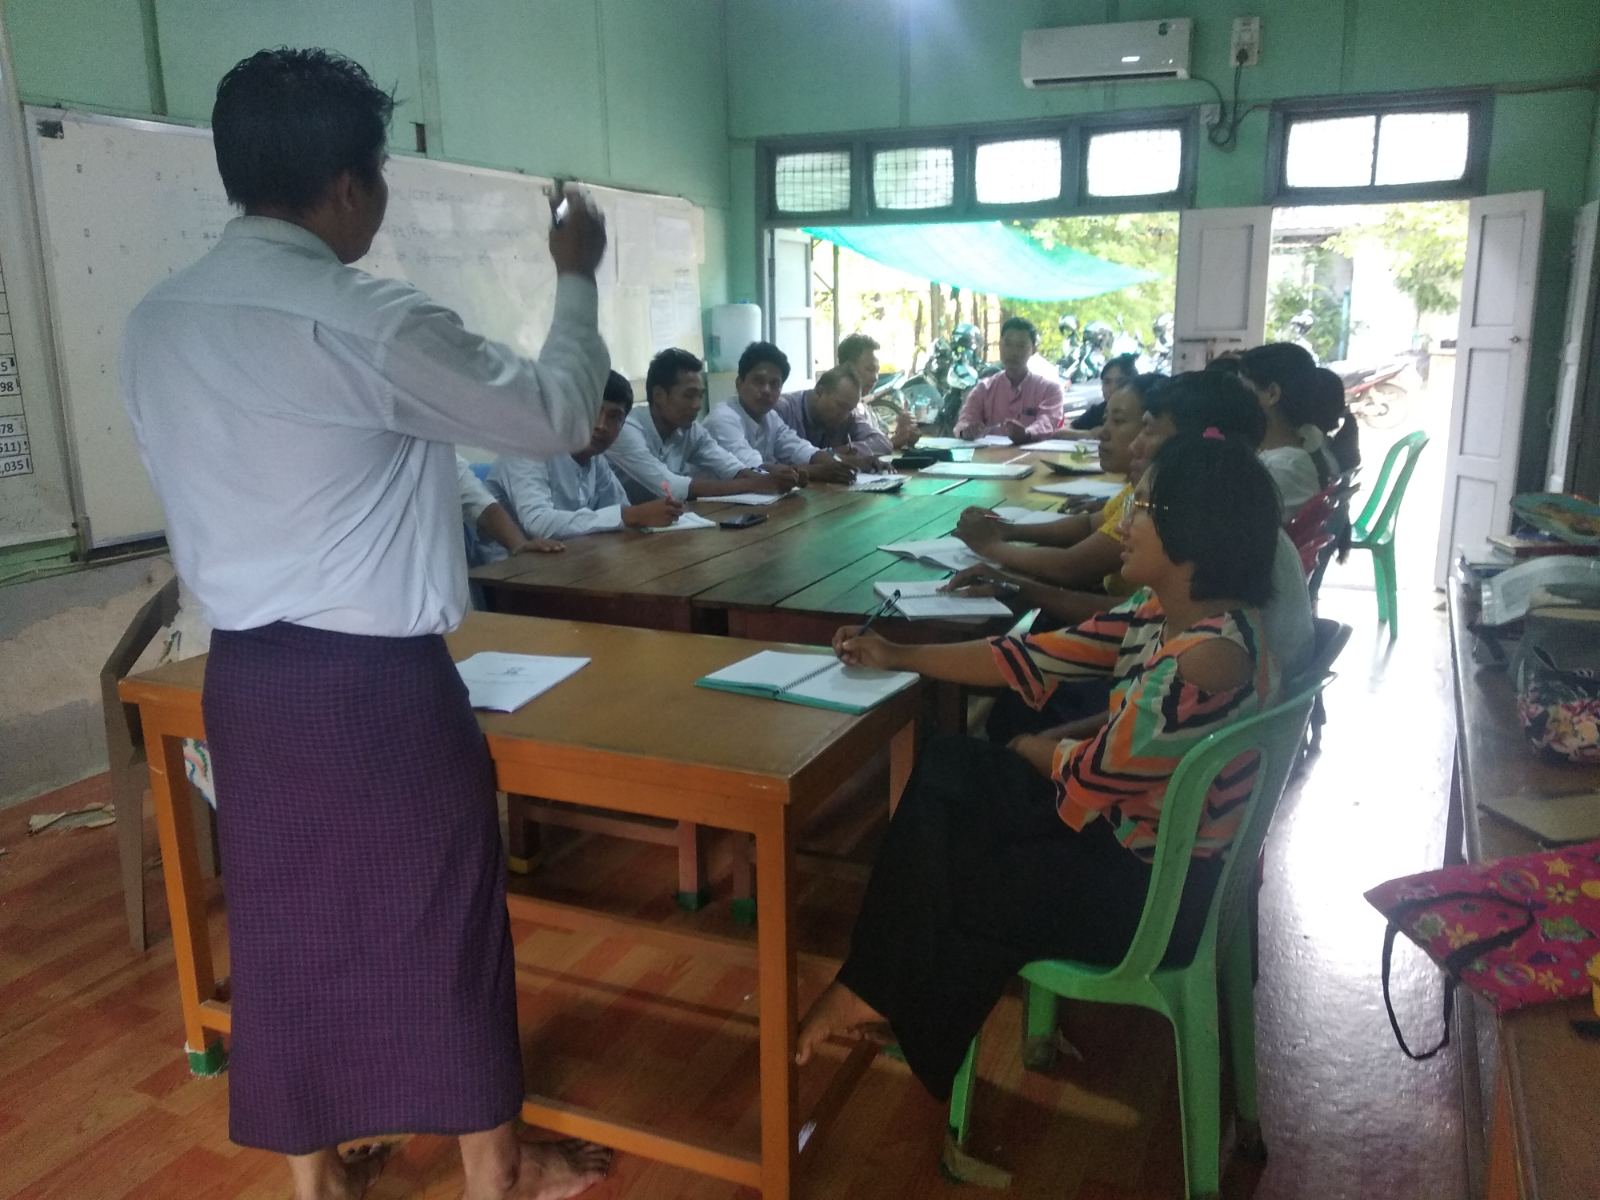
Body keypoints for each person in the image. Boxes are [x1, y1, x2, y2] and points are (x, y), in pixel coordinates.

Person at [120, 48, 613, 1200]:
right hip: (377, 688)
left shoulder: (155, 322)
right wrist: (577, 277)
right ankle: (495, 1171)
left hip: (246, 678)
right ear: (349, 186)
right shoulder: (367, 319)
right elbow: (555, 412)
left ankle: (319, 1181)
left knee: (286, 935)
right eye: (381, 176)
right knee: (443, 925)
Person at [794, 432, 1283, 1108]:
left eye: (1142, 507)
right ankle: (877, 995)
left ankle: (880, 1000)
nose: (1125, 522)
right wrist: (898, 653)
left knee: (955, 864)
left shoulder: (1206, 661)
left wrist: (1031, 746)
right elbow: (1034, 656)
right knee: (948, 766)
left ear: (1193, 532)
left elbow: (1087, 776)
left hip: (1152, 895)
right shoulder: (1167, 616)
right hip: (1130, 840)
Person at [951, 373, 1157, 592]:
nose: (1103, 433)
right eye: (1105, 420)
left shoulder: (1152, 498)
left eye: (1119, 421)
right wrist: (1007, 530)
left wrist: (991, 547)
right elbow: (1088, 525)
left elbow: (1073, 567)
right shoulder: (1134, 489)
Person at [490, 371, 683, 538]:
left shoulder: (595, 458)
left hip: (570, 555)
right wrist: (629, 516)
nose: (601, 425)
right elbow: (537, 522)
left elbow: (620, 506)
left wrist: (647, 514)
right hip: (509, 564)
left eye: (614, 417)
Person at [607, 347, 797, 503]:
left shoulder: (690, 429)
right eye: (689, 395)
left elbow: (731, 467)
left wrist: (772, 479)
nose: (697, 405)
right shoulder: (626, 429)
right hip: (617, 526)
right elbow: (670, 487)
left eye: (700, 395)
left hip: (664, 520)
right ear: (659, 395)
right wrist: (756, 484)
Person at [704, 342, 856, 483]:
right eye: (758, 381)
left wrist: (836, 464)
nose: (766, 390)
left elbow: (799, 448)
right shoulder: (723, 418)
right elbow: (753, 469)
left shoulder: (770, 417)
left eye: (774, 384)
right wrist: (817, 471)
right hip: (712, 501)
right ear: (739, 383)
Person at [1238, 343, 1358, 514]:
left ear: (1272, 394)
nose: (1237, 398)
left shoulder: (1282, 468)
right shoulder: (1307, 441)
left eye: (1244, 389)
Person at [774, 333, 907, 460]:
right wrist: (829, 457)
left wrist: (833, 455)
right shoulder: (781, 410)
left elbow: (882, 443)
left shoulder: (851, 411)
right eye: (869, 369)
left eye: (849, 409)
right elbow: (769, 463)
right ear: (819, 391)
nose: (844, 416)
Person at [952, 317, 1064, 442]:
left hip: (1032, 454)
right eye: (1008, 344)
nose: (1013, 352)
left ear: (1033, 350)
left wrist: (1026, 434)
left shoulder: (1050, 391)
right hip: (989, 454)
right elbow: (965, 420)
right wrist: (966, 431)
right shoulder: (983, 389)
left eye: (1021, 346)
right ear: (1000, 346)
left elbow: (1048, 422)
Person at [459, 453, 566, 562]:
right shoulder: (521, 455)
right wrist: (519, 544)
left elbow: (479, 502)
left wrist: (520, 545)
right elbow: (537, 521)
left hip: (529, 553)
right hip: (498, 560)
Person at [1065, 350, 1139, 435]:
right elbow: (1062, 432)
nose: (1112, 388)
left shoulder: (1142, 412)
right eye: (1107, 382)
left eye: (1121, 383)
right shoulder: (1097, 411)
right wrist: (1090, 434)